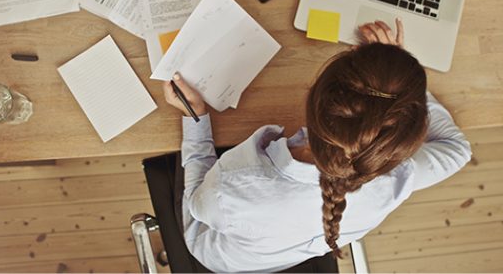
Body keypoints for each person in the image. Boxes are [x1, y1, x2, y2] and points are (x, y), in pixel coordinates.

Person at [162, 19, 471, 273]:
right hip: (282, 254)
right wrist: (398, 84)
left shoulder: (233, 185)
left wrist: (197, 118)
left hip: (217, 256)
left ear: (312, 95)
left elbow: (197, 207)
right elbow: (458, 151)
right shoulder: (397, 180)